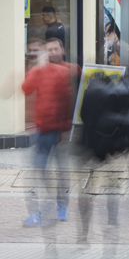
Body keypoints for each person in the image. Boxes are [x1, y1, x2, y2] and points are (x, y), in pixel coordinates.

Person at [22, 40, 73, 227]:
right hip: (41, 129)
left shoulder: (66, 71)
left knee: (59, 171)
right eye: (49, 49)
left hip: (56, 130)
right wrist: (36, 69)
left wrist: (65, 128)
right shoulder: (40, 70)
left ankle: (60, 207)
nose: (52, 52)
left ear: (62, 50)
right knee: (38, 172)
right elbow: (26, 89)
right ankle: (39, 212)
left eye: (55, 49)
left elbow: (68, 101)